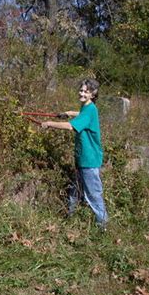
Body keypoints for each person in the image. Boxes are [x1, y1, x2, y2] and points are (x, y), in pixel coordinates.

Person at [41, 79, 108, 231]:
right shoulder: (87, 108)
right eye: (81, 90)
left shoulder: (91, 110)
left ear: (93, 94)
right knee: (75, 190)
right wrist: (68, 113)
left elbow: (71, 126)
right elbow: (81, 114)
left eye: (86, 92)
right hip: (82, 159)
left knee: (93, 195)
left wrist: (50, 123)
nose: (82, 93)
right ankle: (70, 219)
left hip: (89, 160)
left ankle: (103, 228)